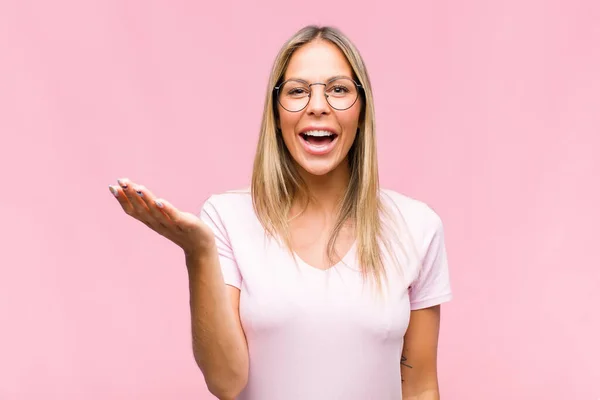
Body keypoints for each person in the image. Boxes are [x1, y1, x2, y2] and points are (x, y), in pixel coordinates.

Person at [108, 25, 452, 400]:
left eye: (338, 89)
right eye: (297, 91)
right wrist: (198, 253)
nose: (317, 105)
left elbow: (420, 387)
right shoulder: (227, 218)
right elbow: (225, 382)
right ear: (276, 114)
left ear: (362, 109)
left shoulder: (417, 227)